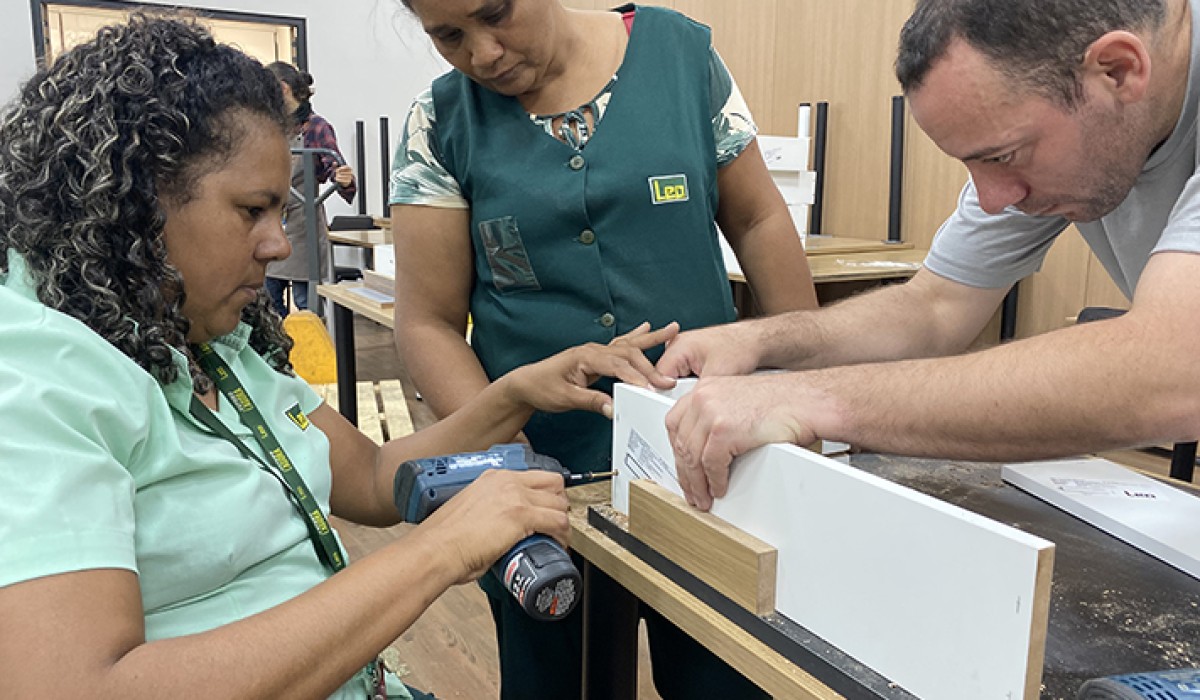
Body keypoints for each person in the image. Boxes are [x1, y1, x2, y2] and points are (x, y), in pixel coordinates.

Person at [0, 15, 679, 699]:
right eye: (252, 211)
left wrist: (515, 393)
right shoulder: (35, 382)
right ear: (134, 199)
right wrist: (439, 551)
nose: (275, 244)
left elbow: (377, 477)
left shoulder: (204, 342)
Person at [389, 1, 819, 697]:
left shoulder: (681, 60)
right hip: (542, 480)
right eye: (449, 36)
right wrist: (511, 459)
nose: (485, 53)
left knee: (724, 673)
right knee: (553, 678)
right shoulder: (440, 123)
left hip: (708, 464)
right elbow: (428, 321)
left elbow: (758, 217)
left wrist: (806, 386)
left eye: (495, 13)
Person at [657, 0, 1200, 511]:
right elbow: (935, 306)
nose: (991, 199)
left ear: (1119, 70)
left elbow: (1174, 367)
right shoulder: (1046, 121)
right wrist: (762, 343)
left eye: (1004, 156)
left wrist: (813, 398)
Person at [264, 61, 356, 317]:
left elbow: (334, 169)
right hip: (273, 223)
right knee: (268, 304)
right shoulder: (269, 128)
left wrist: (342, 176)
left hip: (304, 227)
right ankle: (279, 355)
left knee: (307, 305)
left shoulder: (316, 127)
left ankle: (313, 355)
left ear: (282, 89)